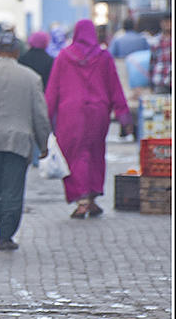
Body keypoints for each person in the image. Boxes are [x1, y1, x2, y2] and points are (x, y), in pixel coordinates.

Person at [0, 32, 52, 251]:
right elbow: (40, 115)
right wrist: (44, 144)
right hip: (18, 141)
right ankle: (5, 237)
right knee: (12, 190)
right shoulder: (31, 77)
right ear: (17, 52)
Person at [45, 19, 134, 219]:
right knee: (94, 153)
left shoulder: (63, 57)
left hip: (70, 115)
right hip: (98, 113)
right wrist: (124, 117)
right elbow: (115, 88)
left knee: (74, 156)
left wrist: (45, 119)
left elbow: (52, 91)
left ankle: (82, 201)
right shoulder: (104, 57)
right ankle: (92, 198)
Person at [149, 16, 171, 94]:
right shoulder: (155, 41)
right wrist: (151, 83)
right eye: (165, 22)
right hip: (160, 79)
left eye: (169, 21)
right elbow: (152, 62)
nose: (167, 24)